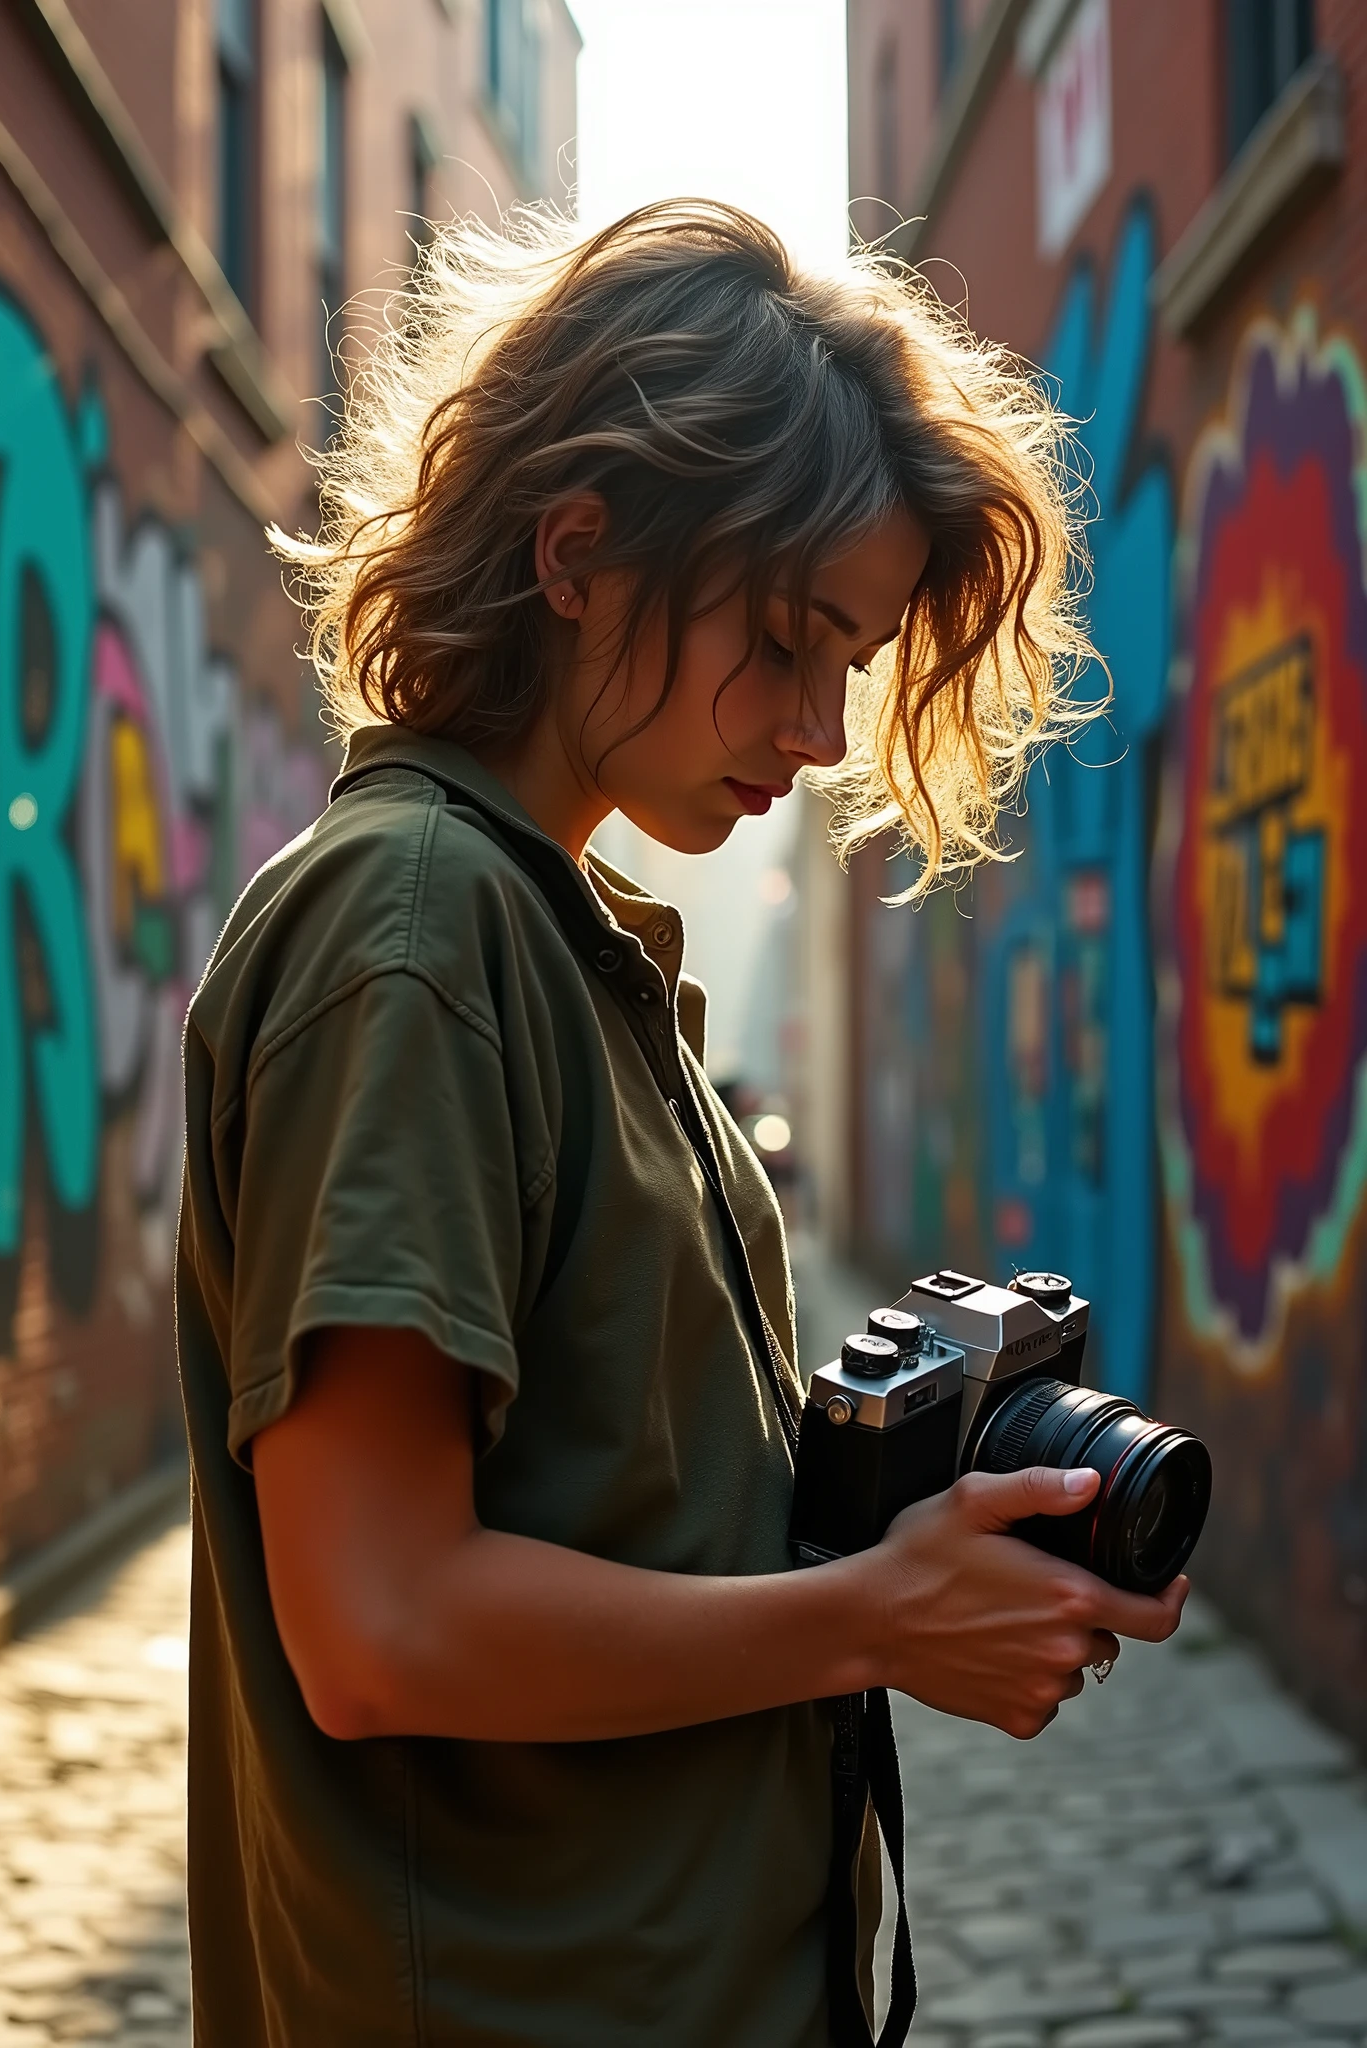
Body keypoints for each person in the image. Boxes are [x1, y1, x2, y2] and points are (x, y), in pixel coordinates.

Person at [177, 202, 1187, 2048]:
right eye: (789, 639)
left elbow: (594, 1514)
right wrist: (872, 1621)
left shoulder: (548, 930)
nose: (819, 727)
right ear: (578, 550)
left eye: (857, 662)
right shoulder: (414, 928)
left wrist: (894, 1540)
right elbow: (380, 1624)